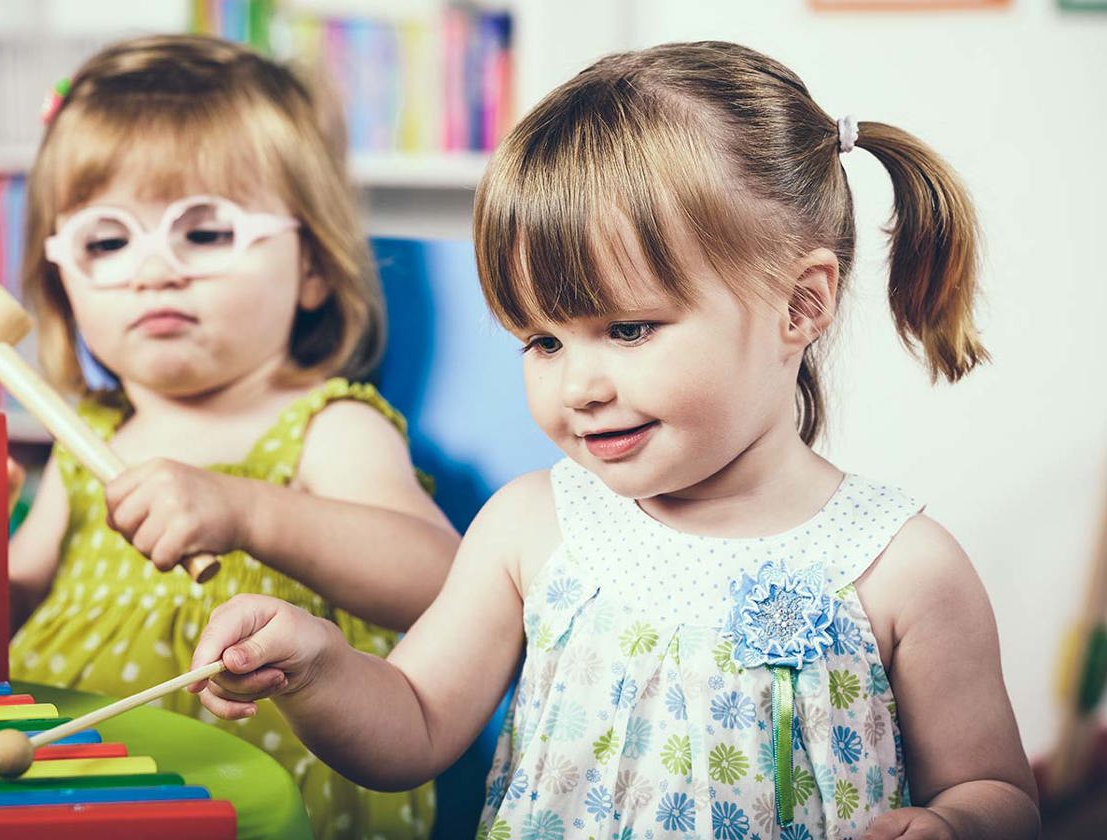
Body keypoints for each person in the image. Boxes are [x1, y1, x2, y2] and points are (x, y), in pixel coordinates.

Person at [188, 42, 1039, 839]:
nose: (578, 386)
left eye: (628, 329)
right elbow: (410, 721)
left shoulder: (902, 566)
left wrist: (955, 822)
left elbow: (996, 790)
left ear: (801, 305)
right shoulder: (532, 528)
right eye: (543, 341)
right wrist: (320, 668)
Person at [6, 34, 458, 839]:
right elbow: (9, 601)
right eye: (107, 242)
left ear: (314, 265)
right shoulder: (90, 440)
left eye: (205, 233)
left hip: (265, 807)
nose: (155, 270)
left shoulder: (326, 425)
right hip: (77, 791)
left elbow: (442, 585)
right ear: (60, 280)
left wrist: (247, 511)